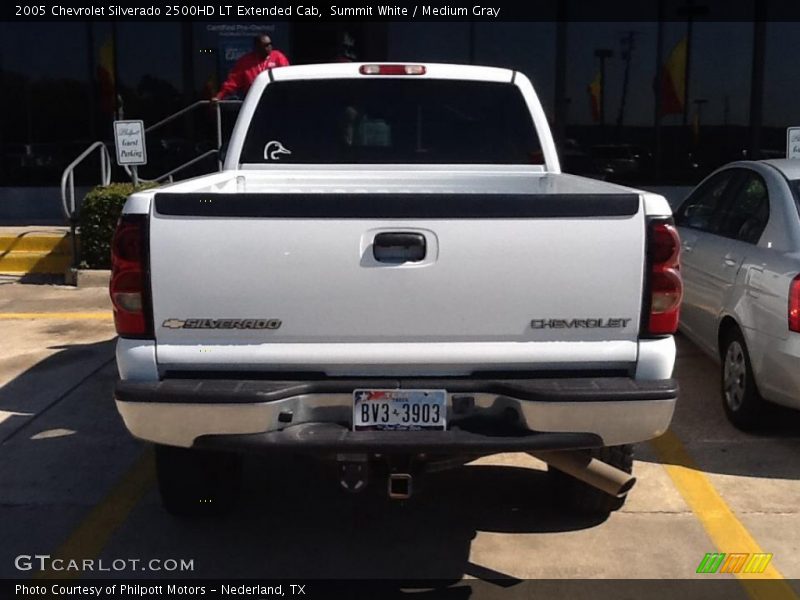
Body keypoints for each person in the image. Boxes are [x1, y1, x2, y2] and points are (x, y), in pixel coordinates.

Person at [213, 35, 289, 101]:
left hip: (275, 98)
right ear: (257, 47)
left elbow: (286, 77)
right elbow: (233, 82)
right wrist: (219, 96)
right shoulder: (246, 61)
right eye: (265, 45)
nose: (269, 47)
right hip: (253, 100)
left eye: (270, 44)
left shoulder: (278, 57)